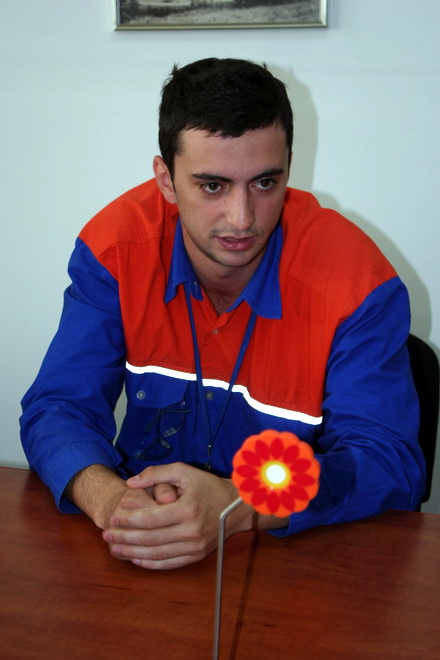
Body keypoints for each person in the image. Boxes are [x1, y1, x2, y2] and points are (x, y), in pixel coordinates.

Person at [20, 57, 425, 570]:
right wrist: (113, 504)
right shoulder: (116, 251)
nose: (242, 218)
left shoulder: (356, 282)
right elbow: (58, 407)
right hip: (141, 547)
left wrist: (239, 505)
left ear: (289, 168)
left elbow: (387, 462)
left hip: (294, 560)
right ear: (166, 181)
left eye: (265, 183)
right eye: (212, 185)